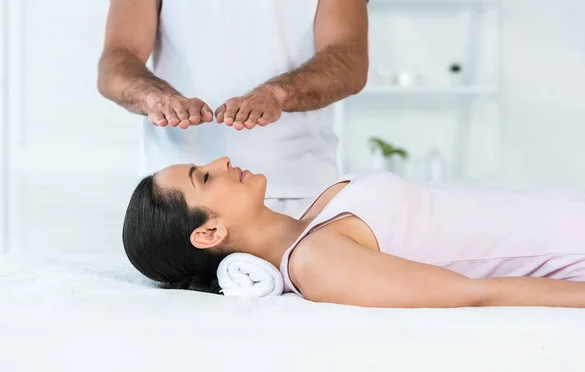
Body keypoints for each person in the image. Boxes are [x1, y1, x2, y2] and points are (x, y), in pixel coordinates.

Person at [122, 157, 585, 308]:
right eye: (204, 178)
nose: (221, 162)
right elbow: (474, 293)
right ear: (208, 233)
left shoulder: (316, 215)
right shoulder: (316, 263)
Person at [97, 0, 369, 217]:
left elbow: (348, 61)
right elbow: (117, 61)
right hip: (179, 205)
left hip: (303, 193)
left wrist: (277, 94)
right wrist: (154, 97)